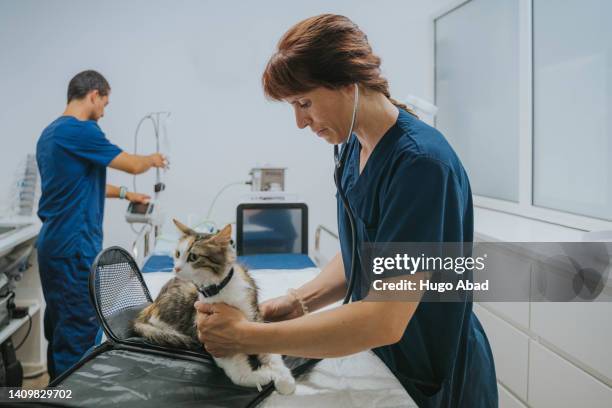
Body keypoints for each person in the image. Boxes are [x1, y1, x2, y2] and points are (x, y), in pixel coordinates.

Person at [193, 15, 498, 407]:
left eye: (304, 103)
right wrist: (297, 302)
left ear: (348, 85)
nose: (301, 122)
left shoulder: (420, 166)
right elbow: (363, 249)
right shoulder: (352, 146)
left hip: (430, 370)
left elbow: (383, 319)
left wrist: (246, 335)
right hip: (385, 357)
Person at [36, 70, 167, 380]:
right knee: (80, 329)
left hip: (53, 245)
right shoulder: (82, 131)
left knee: (60, 328)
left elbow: (76, 183)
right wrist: (154, 158)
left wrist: (125, 193)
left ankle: (56, 390)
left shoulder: (49, 134)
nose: (104, 111)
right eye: (105, 103)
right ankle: (70, 397)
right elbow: (133, 164)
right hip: (74, 247)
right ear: (93, 94)